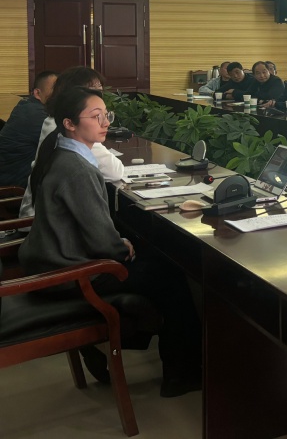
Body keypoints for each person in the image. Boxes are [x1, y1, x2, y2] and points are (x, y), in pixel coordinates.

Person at [19, 86, 203, 397]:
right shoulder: (77, 168)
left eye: (107, 115)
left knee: (151, 258)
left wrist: (120, 243)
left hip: (52, 259)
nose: (105, 122)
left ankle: (131, 341)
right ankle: (180, 375)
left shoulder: (58, 152)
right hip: (70, 272)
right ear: (69, 123)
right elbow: (102, 240)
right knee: (170, 276)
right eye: (96, 116)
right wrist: (121, 246)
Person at [19, 67, 126, 218]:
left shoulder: (55, 120)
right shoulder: (68, 130)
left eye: (99, 89)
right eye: (92, 89)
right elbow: (114, 171)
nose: (98, 94)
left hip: (45, 218)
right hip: (40, 222)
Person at [0, 70, 57, 188]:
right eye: (53, 89)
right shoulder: (35, 114)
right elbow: (67, 142)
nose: (58, 94)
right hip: (14, 185)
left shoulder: (27, 105)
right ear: (37, 93)